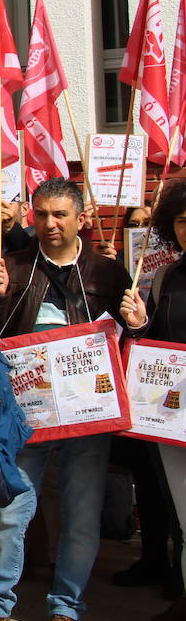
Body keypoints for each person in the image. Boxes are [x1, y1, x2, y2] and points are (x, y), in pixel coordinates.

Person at [0, 177, 142, 621]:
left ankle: (66, 605)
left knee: (81, 515)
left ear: (81, 219)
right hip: (26, 412)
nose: (49, 223)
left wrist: (140, 324)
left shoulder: (108, 272)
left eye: (60, 214)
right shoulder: (11, 265)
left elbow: (132, 336)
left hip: (90, 412)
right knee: (11, 508)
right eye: (41, 213)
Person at [122, 178, 186, 621]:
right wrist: (142, 325)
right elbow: (158, 344)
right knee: (185, 517)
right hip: (174, 414)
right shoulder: (167, 275)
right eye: (182, 221)